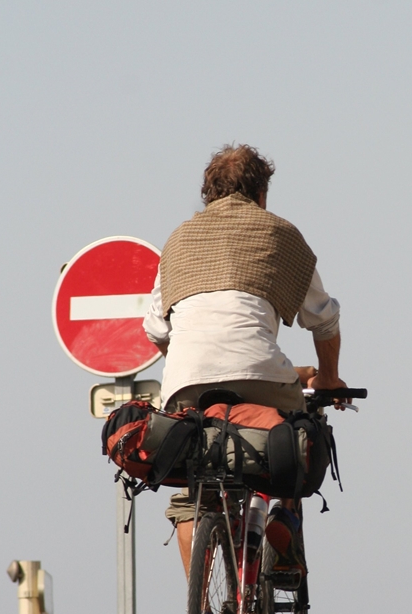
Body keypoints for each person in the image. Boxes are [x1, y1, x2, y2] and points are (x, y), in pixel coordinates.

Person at [143, 144, 347, 580]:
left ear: (208, 195)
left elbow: (157, 330)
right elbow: (324, 321)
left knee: (189, 496)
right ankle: (282, 518)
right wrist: (327, 378)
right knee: (300, 435)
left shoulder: (178, 239)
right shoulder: (279, 233)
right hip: (263, 377)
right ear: (262, 194)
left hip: (185, 382)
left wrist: (190, 369)